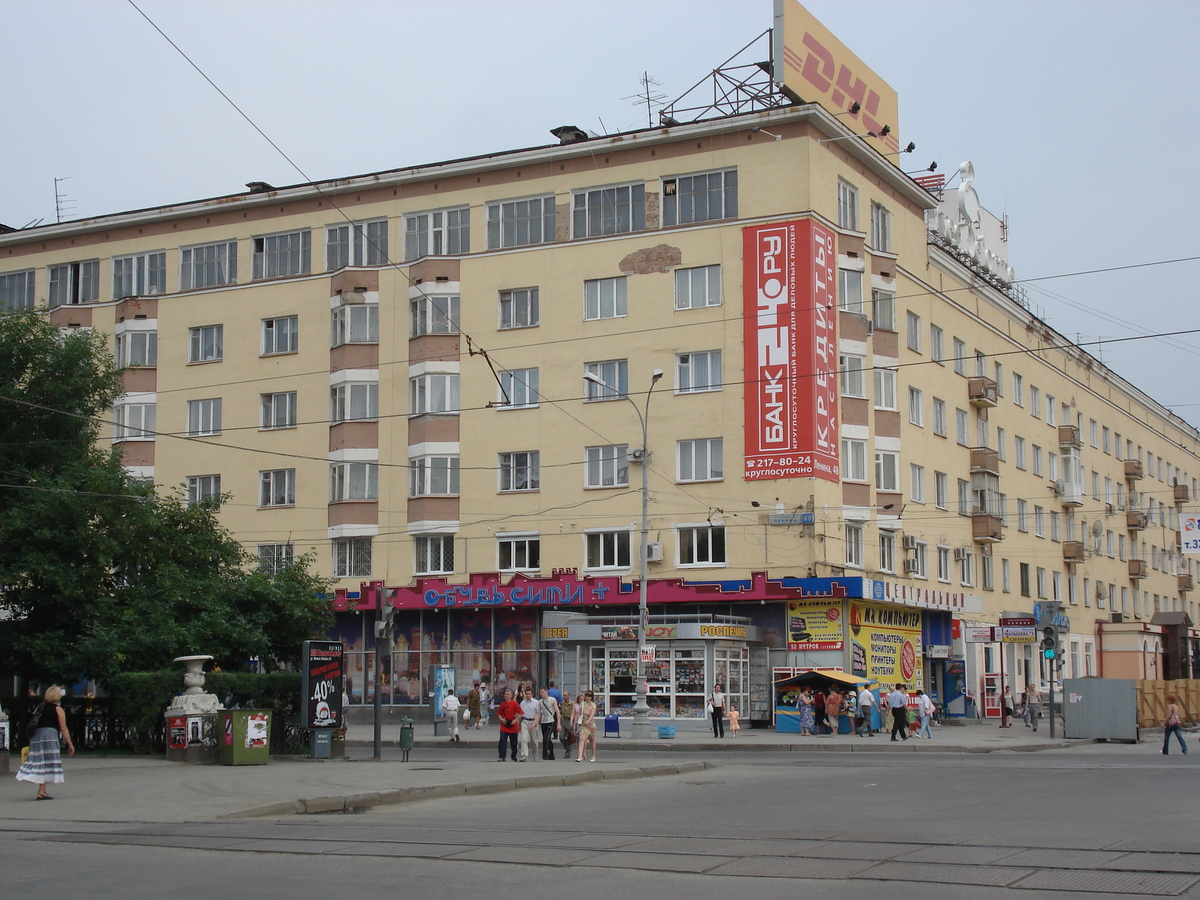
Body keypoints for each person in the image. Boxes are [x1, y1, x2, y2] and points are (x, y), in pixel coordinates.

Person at [16, 685, 75, 799]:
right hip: (49, 737)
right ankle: (41, 792)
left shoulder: (39, 707)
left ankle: (41, 790)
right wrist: (70, 743)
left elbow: (34, 720)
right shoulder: (58, 709)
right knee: (48, 763)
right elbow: (63, 728)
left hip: (36, 737)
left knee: (39, 762)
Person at [495, 688, 521, 762]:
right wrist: (501, 719)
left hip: (513, 726)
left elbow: (521, 713)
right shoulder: (502, 704)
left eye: (508, 694)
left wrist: (515, 720)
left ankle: (514, 756)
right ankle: (502, 756)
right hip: (504, 725)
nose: (506, 696)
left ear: (511, 695)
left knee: (514, 742)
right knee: (502, 741)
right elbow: (499, 714)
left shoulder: (514, 704)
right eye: (505, 694)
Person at [536, 687, 560, 760]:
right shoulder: (540, 702)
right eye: (540, 692)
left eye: (542, 692)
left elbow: (557, 712)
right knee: (546, 739)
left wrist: (558, 723)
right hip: (543, 722)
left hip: (551, 721)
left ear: (546, 691)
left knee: (547, 738)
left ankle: (546, 754)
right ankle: (551, 755)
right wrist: (536, 722)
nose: (541, 694)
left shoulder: (552, 700)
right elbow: (539, 713)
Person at [575, 691, 598, 762]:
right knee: (581, 739)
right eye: (586, 696)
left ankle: (593, 755)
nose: (587, 698)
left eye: (589, 696)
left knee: (592, 740)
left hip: (591, 725)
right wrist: (576, 721)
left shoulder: (593, 705)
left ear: (591, 697)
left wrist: (588, 721)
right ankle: (580, 756)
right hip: (583, 724)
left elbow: (592, 714)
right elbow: (579, 713)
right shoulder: (582, 704)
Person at [518, 686, 539, 761]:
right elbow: (520, 714)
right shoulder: (522, 703)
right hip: (525, 721)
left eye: (529, 694)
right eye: (526, 694)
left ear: (532, 694)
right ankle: (524, 755)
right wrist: (518, 724)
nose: (528, 695)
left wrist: (535, 723)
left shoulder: (536, 702)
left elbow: (538, 713)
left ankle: (535, 754)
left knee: (534, 740)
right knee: (524, 739)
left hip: (533, 721)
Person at [559, 691, 575, 756]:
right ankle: (567, 749)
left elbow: (573, 713)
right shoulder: (562, 704)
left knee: (569, 737)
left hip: (570, 720)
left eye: (565, 696)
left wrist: (573, 722)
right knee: (561, 737)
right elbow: (561, 712)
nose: (564, 697)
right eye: (563, 696)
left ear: (569, 696)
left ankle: (568, 752)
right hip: (564, 720)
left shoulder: (572, 704)